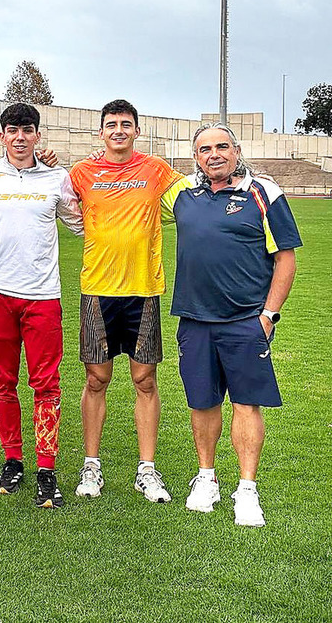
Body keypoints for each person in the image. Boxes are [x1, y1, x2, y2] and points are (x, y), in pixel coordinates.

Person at [162, 124, 301, 527]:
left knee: (245, 403)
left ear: (236, 151)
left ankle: (247, 490)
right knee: (202, 403)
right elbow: (133, 195)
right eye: (205, 149)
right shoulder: (182, 192)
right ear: (195, 156)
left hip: (245, 321)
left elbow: (285, 259)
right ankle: (206, 478)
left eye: (222, 146)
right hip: (194, 319)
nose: (214, 154)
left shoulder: (264, 193)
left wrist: (268, 316)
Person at [68, 99, 184, 503]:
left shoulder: (156, 170)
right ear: (100, 131)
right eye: (111, 124)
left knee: (144, 380)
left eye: (126, 124)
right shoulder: (81, 174)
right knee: (96, 379)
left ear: (137, 130)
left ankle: (146, 471)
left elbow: (193, 195)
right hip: (97, 290)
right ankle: (91, 466)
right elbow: (54, 196)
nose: (118, 130)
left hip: (143, 290)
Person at [0, 103, 83, 508]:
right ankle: (13, 459)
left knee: (46, 384)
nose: (19, 137)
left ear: (38, 135)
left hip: (43, 296)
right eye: (12, 131)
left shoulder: (57, 178)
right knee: (3, 383)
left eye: (27, 130)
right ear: (1, 136)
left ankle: (47, 468)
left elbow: (81, 222)